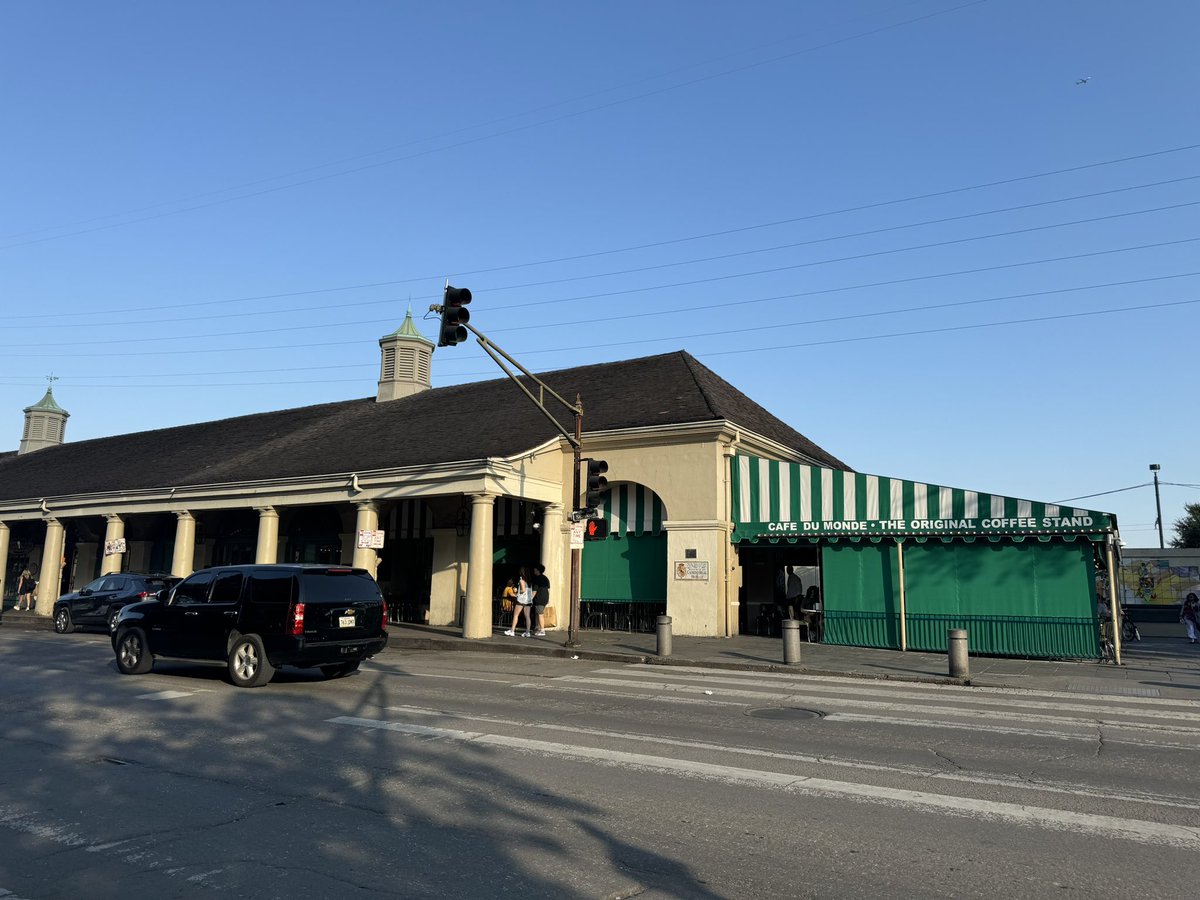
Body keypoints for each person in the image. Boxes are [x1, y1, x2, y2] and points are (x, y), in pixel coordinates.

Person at [503, 569, 533, 637]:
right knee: (527, 616)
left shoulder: (521, 580)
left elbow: (523, 590)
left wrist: (517, 592)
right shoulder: (530, 582)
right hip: (528, 600)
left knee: (516, 615)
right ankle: (527, 632)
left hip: (521, 600)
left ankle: (512, 631)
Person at [530, 563, 550, 637]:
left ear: (538, 570)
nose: (534, 570)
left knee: (540, 614)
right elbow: (548, 589)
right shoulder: (545, 578)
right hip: (545, 598)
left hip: (539, 598)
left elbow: (534, 590)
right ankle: (537, 628)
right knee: (538, 613)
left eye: (535, 569)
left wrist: (530, 599)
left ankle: (542, 630)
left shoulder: (537, 579)